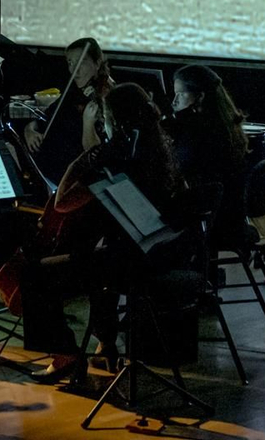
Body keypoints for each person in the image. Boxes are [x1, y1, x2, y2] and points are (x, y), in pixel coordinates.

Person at [19, 82, 185, 383]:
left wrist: (90, 154)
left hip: (129, 265)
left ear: (113, 122)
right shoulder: (160, 152)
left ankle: (65, 355)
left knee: (35, 274)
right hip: (161, 256)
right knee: (99, 252)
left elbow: (64, 201)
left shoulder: (111, 161)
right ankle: (106, 342)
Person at [164, 64, 249, 243]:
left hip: (213, 219)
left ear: (200, 96)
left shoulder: (201, 134)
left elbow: (183, 170)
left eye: (180, 94)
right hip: (231, 214)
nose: (174, 102)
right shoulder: (225, 124)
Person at [23, 37, 113, 158]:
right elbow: (43, 114)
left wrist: (88, 123)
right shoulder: (72, 88)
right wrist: (29, 130)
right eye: (71, 63)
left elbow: (94, 154)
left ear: (97, 63)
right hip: (47, 156)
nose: (75, 70)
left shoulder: (107, 98)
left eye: (81, 62)